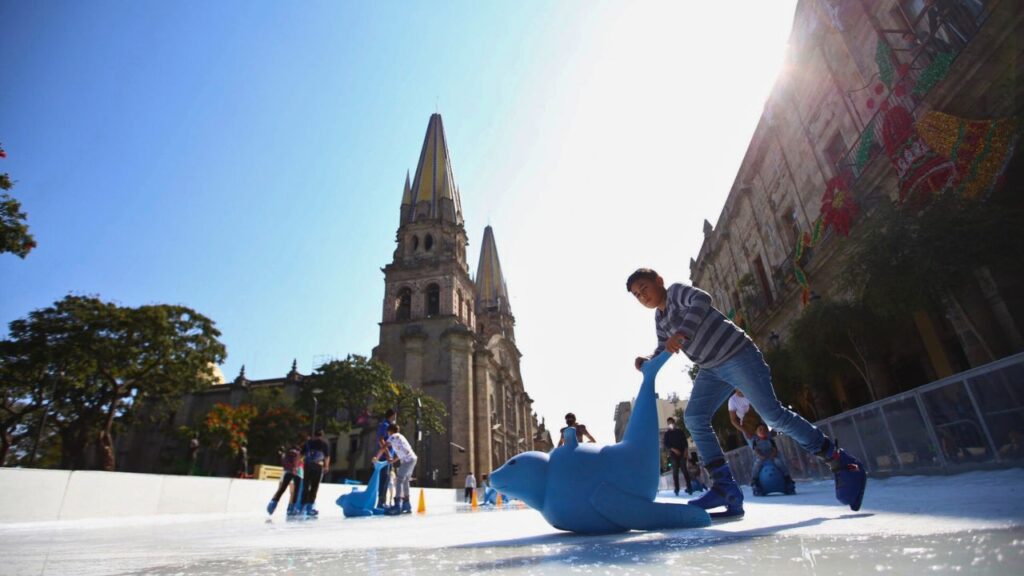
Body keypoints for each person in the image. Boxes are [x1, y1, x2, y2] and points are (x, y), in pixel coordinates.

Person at [627, 268, 866, 518]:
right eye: (636, 295)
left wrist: (682, 331)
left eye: (644, 288)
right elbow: (663, 347)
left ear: (659, 282)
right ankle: (725, 488)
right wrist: (648, 359)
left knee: (773, 416)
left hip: (737, 354)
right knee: (695, 418)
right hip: (711, 369)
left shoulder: (676, 292)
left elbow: (702, 299)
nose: (642, 296)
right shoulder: (660, 318)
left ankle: (840, 461)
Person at [375, 423, 418, 515]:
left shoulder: (393, 436)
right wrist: (393, 461)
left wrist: (376, 458)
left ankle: (397, 505)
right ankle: (407, 504)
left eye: (388, 433)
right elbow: (402, 453)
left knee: (399, 480)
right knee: (405, 481)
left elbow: (383, 447)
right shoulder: (400, 437)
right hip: (413, 458)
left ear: (389, 431)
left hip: (408, 460)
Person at [749, 423, 795, 495]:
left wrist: (772, 456)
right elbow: (756, 450)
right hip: (761, 458)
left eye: (764, 429)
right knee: (757, 465)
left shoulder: (770, 440)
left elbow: (774, 449)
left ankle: (787, 478)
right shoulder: (755, 440)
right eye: (760, 429)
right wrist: (761, 456)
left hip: (772, 457)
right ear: (756, 432)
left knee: (779, 462)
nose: (762, 431)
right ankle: (754, 480)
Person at [266, 443, 304, 516]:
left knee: (281, 490)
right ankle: (291, 509)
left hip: (286, 472)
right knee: (293, 493)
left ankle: (272, 505)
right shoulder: (299, 455)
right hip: (297, 473)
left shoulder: (287, 454)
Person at [300, 429, 331, 516]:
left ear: (314, 435)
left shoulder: (308, 443)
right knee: (314, 486)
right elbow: (327, 456)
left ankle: (303, 507)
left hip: (307, 466)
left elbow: (301, 455)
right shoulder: (324, 444)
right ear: (322, 435)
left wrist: (299, 464)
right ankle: (310, 507)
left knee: (306, 485)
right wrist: (326, 466)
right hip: (318, 466)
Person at [663, 417, 694, 495]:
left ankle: (689, 487)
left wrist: (686, 451)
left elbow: (685, 442)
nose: (670, 424)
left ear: (674, 423)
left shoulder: (679, 432)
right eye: (669, 423)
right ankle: (677, 489)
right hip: (673, 455)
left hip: (682, 453)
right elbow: (666, 444)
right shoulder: (667, 434)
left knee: (684, 470)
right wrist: (674, 449)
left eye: (671, 422)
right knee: (675, 471)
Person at [376, 409, 398, 509]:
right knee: (384, 479)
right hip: (386, 458)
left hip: (390, 458)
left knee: (387, 479)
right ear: (392, 415)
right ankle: (381, 502)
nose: (395, 418)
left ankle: (383, 501)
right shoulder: (385, 425)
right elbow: (380, 439)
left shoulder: (390, 426)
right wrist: (388, 453)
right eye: (395, 416)